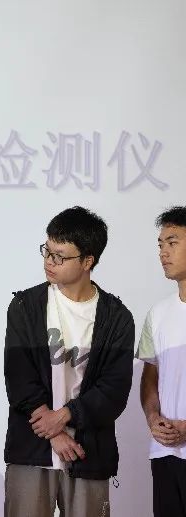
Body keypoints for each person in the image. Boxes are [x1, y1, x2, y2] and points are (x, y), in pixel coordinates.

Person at [4, 206, 134, 517]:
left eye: (60, 256)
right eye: (47, 251)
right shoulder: (26, 306)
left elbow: (114, 390)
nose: (49, 261)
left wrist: (66, 415)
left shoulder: (116, 317)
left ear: (87, 261)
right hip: (32, 448)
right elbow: (19, 378)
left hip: (88, 452)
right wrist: (54, 432)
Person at [138, 206, 186, 516]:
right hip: (166, 453)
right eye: (160, 244)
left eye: (172, 242)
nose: (163, 253)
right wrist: (153, 418)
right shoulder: (157, 313)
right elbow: (150, 378)